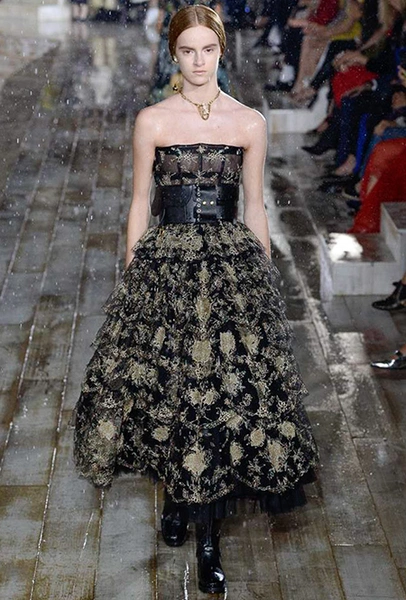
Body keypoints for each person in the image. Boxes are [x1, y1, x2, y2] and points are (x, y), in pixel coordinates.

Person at [73, 5, 319, 595]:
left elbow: (255, 205)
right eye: (188, 50)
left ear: (221, 51)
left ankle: (208, 537)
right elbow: (140, 202)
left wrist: (262, 280)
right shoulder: (153, 121)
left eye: (208, 49)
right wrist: (133, 275)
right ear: (174, 54)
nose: (199, 61)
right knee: (172, 386)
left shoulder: (248, 122)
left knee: (217, 392)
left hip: (230, 266)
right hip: (166, 265)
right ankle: (178, 498)